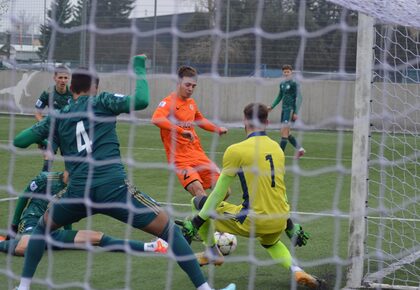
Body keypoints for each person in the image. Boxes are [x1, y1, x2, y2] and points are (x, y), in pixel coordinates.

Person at [13, 55, 235, 290]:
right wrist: (139, 69)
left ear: (72, 88)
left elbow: (19, 140)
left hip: (78, 192)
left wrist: (44, 135)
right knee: (170, 231)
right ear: (95, 88)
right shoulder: (101, 101)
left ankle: (23, 286)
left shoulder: (58, 117)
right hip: (114, 189)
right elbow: (140, 100)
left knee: (40, 229)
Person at [176, 103, 326, 289]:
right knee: (271, 243)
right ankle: (297, 270)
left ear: (244, 121)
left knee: (198, 201)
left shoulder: (235, 150)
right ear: (267, 122)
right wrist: (290, 226)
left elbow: (218, 193)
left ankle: (212, 252)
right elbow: (281, 191)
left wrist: (196, 222)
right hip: (279, 218)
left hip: (252, 220)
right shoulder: (277, 149)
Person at [1, 170, 168, 256]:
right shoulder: (45, 178)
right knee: (27, 247)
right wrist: (14, 225)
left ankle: (152, 246)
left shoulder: (77, 187)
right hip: (32, 222)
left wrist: (69, 236)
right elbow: (24, 196)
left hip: (52, 232)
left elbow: (64, 212)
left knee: (97, 237)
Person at [151, 65, 228, 197]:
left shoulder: (191, 103)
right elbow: (156, 119)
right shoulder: (168, 102)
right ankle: (201, 216)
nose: (190, 89)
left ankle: (201, 216)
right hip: (180, 159)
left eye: (193, 86)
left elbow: (200, 120)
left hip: (198, 154)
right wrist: (181, 131)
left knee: (224, 191)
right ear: (178, 82)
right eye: (187, 85)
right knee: (199, 192)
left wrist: (217, 129)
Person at [34, 65, 73, 171]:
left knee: (71, 163)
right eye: (60, 77)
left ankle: (70, 185)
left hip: (68, 133)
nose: (63, 80)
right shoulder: (48, 93)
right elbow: (37, 113)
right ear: (55, 78)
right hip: (53, 133)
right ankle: (43, 184)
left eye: (65, 78)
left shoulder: (73, 93)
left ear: (69, 78)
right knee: (48, 157)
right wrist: (44, 126)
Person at [268, 64, 305, 159]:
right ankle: (300, 149)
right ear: (282, 72)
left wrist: (295, 112)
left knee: (284, 132)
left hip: (290, 110)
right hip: (284, 110)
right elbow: (279, 96)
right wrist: (272, 106)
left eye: (288, 71)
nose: (286, 73)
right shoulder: (282, 84)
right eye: (284, 72)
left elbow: (299, 98)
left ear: (291, 72)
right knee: (285, 133)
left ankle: (279, 155)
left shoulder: (294, 83)